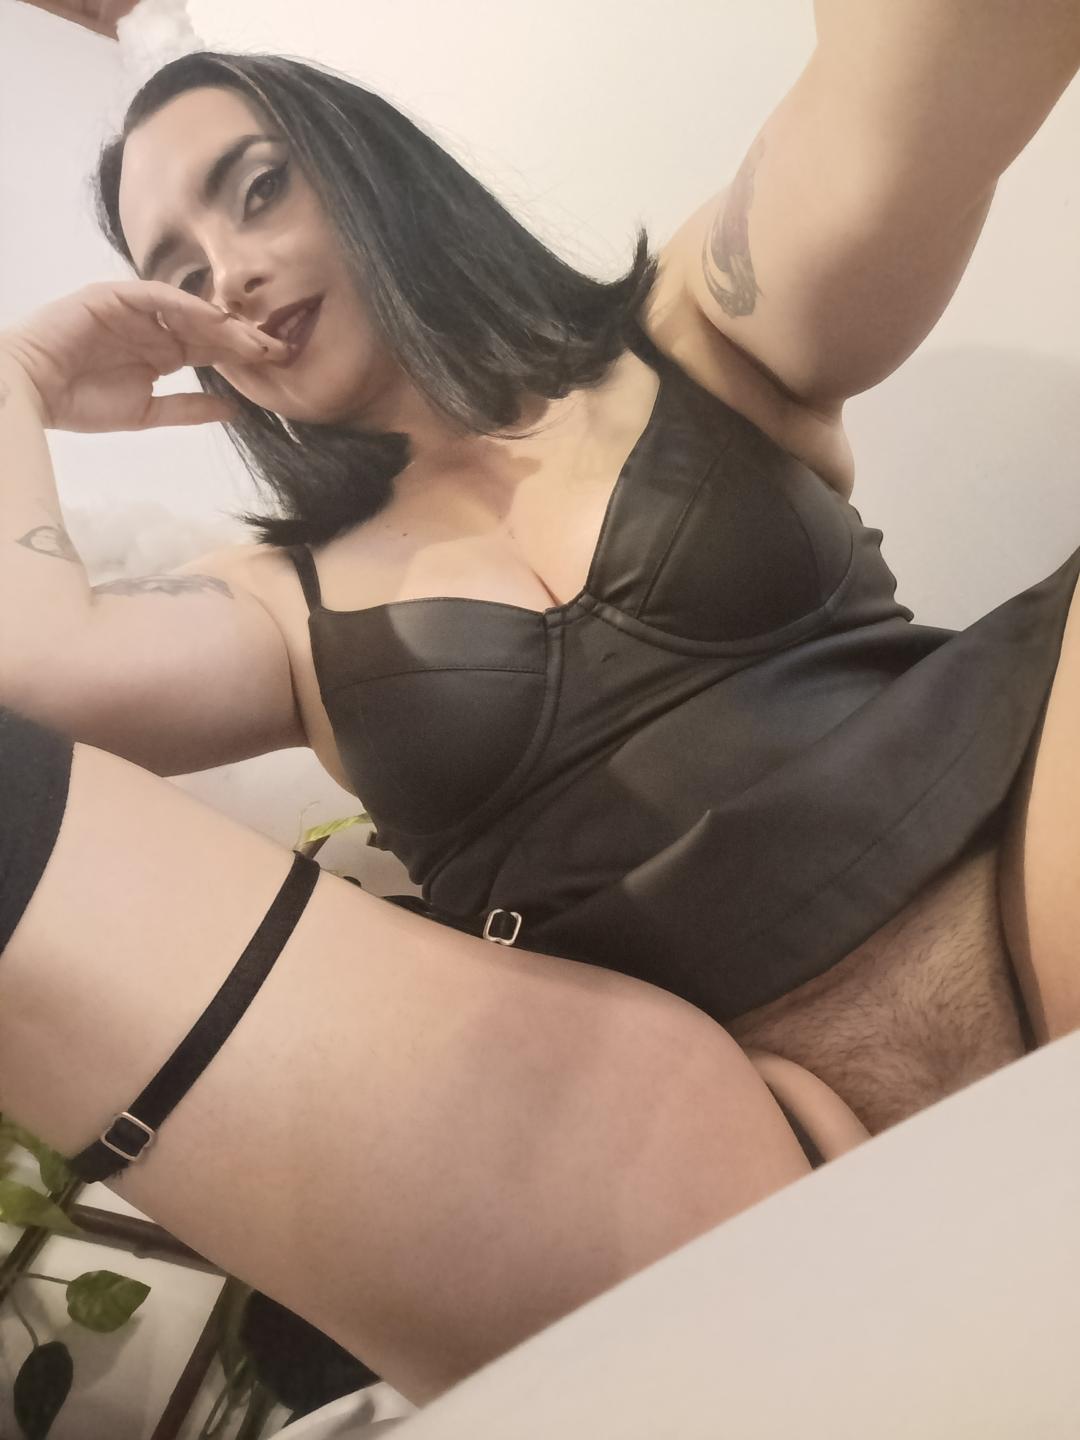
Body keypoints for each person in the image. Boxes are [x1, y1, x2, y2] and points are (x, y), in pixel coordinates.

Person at [0, 11, 1078, 1403]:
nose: (233, 274)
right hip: (700, 1136)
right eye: (182, 275)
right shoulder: (271, 599)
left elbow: (923, 87)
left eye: (258, 189)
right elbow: (39, 673)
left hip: (1028, 863)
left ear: (372, 169)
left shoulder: (692, 328)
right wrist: (15, 383)